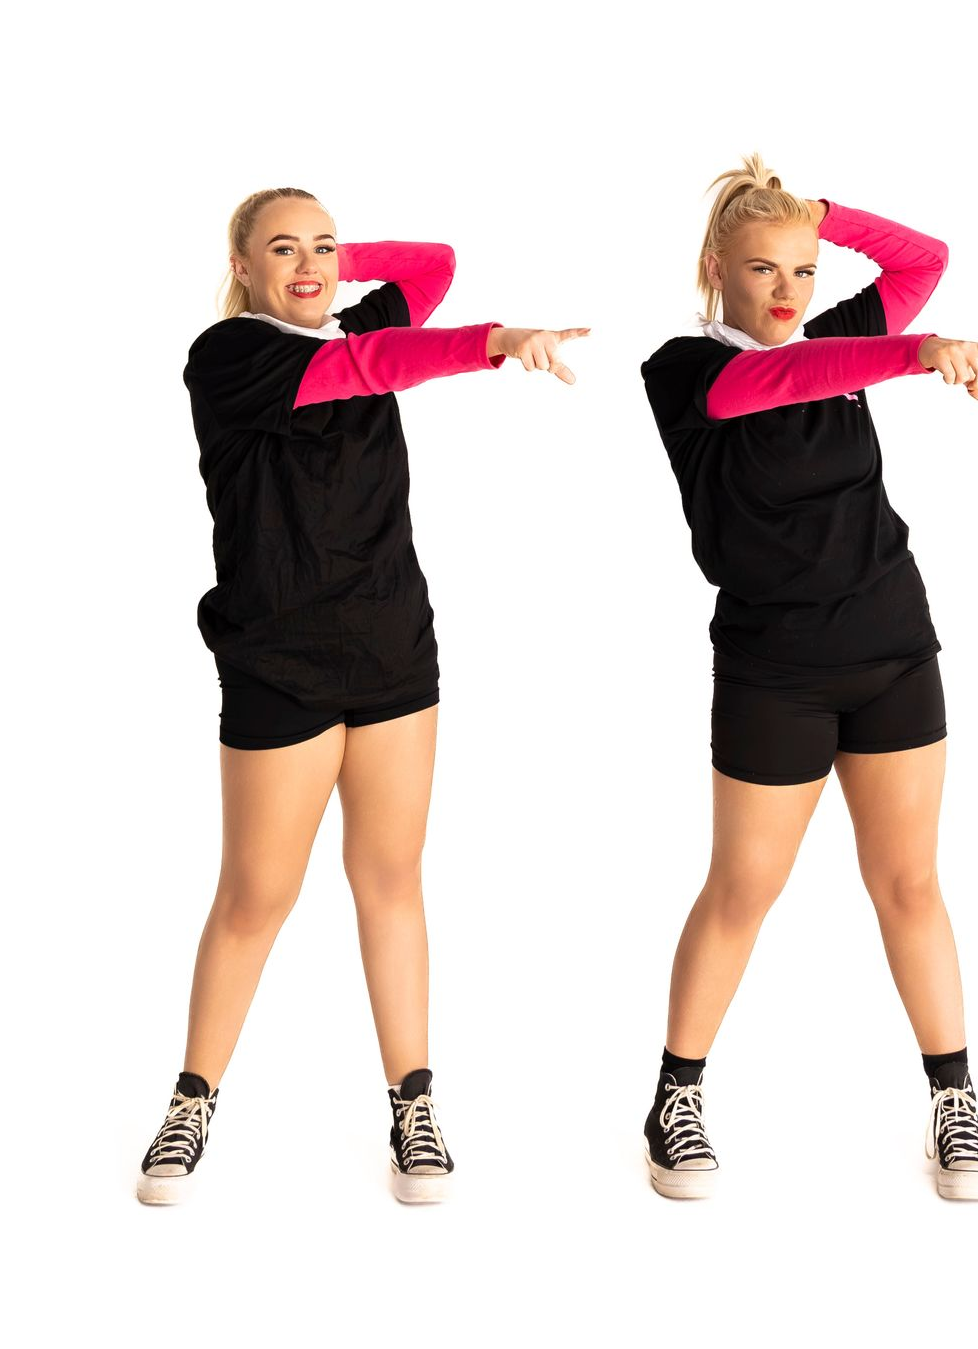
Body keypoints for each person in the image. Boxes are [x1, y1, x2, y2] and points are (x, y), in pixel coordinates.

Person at [136, 187, 588, 1206]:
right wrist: (498, 341)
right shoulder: (231, 355)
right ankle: (192, 1097)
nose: (310, 266)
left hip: (391, 651)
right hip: (279, 660)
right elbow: (366, 365)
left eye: (325, 247)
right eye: (282, 250)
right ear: (241, 267)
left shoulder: (339, 309)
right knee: (256, 896)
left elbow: (429, 264)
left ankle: (414, 1103)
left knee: (391, 876)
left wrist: (330, 265)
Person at [639, 152, 978, 1201]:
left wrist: (822, 215)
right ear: (718, 266)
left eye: (802, 271)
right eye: (763, 270)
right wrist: (911, 354)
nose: (788, 294)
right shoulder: (686, 368)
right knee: (744, 888)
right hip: (774, 669)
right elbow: (782, 378)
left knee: (910, 883)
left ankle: (955, 1099)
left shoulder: (837, 342)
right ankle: (676, 1092)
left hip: (893, 644)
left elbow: (924, 257)